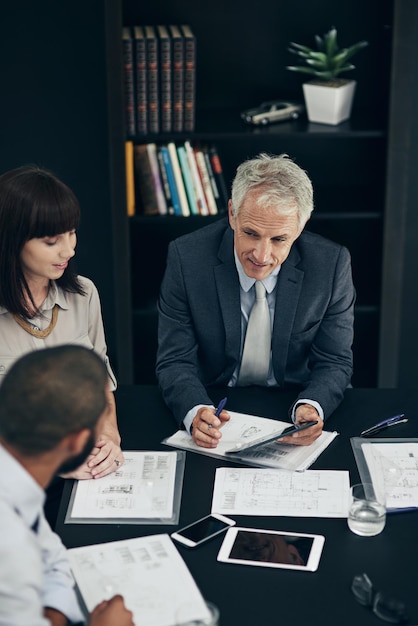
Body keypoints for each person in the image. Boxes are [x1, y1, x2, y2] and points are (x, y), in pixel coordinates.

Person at [156, 153, 355, 448]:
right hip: (216, 399)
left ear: (300, 227)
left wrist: (313, 406)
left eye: (279, 239)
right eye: (251, 233)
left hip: (291, 402)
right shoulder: (187, 258)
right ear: (232, 214)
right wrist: (195, 410)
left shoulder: (331, 265)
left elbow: (335, 360)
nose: (261, 256)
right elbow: (175, 359)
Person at [0, 164, 123, 482]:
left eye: (71, 233)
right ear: (12, 240)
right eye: (52, 240)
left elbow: (101, 387)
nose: (70, 249)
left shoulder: (84, 294)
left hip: (85, 471)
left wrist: (110, 436)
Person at [0, 345, 134, 626]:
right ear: (76, 442)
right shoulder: (9, 545)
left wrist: (53, 618)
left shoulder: (19, 482)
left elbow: (53, 559)